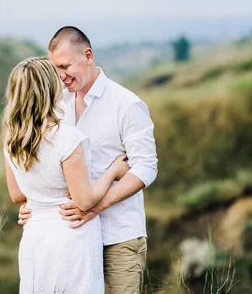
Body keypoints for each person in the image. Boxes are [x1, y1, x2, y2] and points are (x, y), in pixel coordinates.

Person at [18, 26, 159, 294]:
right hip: (72, 239)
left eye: (65, 65)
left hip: (118, 236)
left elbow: (146, 167)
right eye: (55, 68)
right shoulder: (56, 104)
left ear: (88, 55)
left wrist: (96, 207)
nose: (60, 75)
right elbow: (47, 160)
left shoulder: (126, 104)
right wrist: (33, 203)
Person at [3, 57, 130, 293]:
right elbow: (84, 200)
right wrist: (113, 171)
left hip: (35, 237)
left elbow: (17, 194)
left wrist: (38, 199)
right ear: (48, 90)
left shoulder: (11, 140)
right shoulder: (67, 138)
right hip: (70, 235)